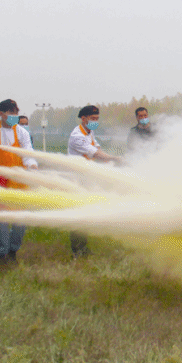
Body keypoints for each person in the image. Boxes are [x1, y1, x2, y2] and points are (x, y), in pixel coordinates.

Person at [0, 99, 38, 264]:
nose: (14, 116)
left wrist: (32, 165)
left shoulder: (21, 132)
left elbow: (28, 152)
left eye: (16, 113)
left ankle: (13, 251)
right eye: (11, 113)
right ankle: (0, 254)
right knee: (0, 219)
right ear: (1, 114)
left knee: (20, 219)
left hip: (19, 182)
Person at [66, 105, 120, 257]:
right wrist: (114, 158)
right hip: (77, 179)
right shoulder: (77, 136)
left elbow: (98, 148)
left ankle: (83, 247)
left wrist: (110, 160)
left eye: (97, 119)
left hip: (87, 177)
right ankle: (77, 250)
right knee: (77, 213)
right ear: (83, 118)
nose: (95, 121)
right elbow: (95, 153)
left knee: (85, 211)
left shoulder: (89, 132)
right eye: (93, 119)